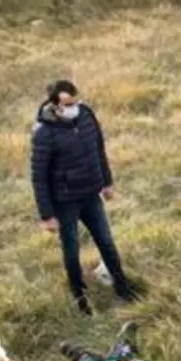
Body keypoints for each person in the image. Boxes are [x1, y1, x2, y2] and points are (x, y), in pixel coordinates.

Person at [30, 80, 139, 315]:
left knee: (107, 242)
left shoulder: (87, 116)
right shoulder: (44, 133)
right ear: (55, 105)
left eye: (76, 101)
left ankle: (122, 287)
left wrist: (106, 183)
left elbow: (98, 150)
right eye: (68, 104)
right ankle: (80, 298)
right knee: (71, 251)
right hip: (65, 202)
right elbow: (39, 177)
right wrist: (47, 215)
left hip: (91, 196)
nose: (74, 107)